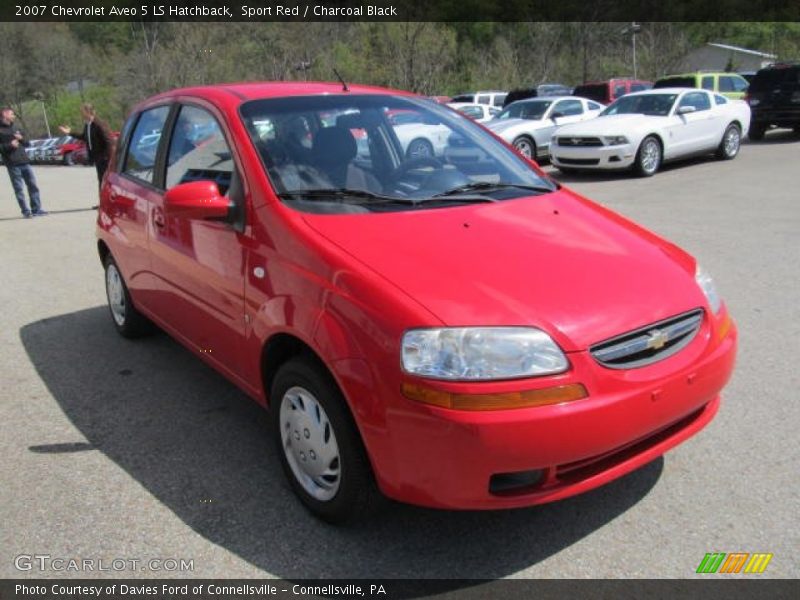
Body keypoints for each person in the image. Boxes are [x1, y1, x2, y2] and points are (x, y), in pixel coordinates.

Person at [0, 107, 46, 218]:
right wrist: (9, 146)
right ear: (4, 114)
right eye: (12, 114)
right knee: (19, 189)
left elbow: (27, 143)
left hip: (25, 161)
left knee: (33, 186)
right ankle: (26, 211)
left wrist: (21, 139)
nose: (14, 116)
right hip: (13, 164)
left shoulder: (16, 127)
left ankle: (36, 209)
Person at [59, 103, 112, 188]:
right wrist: (70, 132)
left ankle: (104, 200)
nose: (81, 114)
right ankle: (102, 200)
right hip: (97, 158)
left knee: (106, 181)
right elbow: (84, 137)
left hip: (104, 159)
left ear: (88, 112)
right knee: (101, 180)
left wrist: (107, 157)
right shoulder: (87, 125)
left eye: (83, 112)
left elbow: (109, 141)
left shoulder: (99, 124)